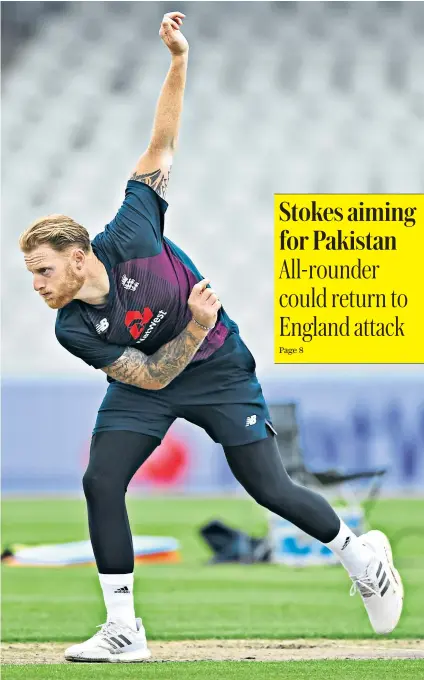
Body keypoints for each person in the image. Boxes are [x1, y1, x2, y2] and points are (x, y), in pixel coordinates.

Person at [20, 12, 403, 664]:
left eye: (44, 270)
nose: (38, 285)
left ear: (79, 255)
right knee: (101, 481)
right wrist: (191, 322)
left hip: (220, 366)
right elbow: (148, 379)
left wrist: (177, 59)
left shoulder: (133, 229)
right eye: (32, 276)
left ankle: (360, 555)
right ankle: (123, 630)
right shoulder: (73, 327)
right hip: (155, 374)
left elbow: (163, 142)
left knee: (269, 488)